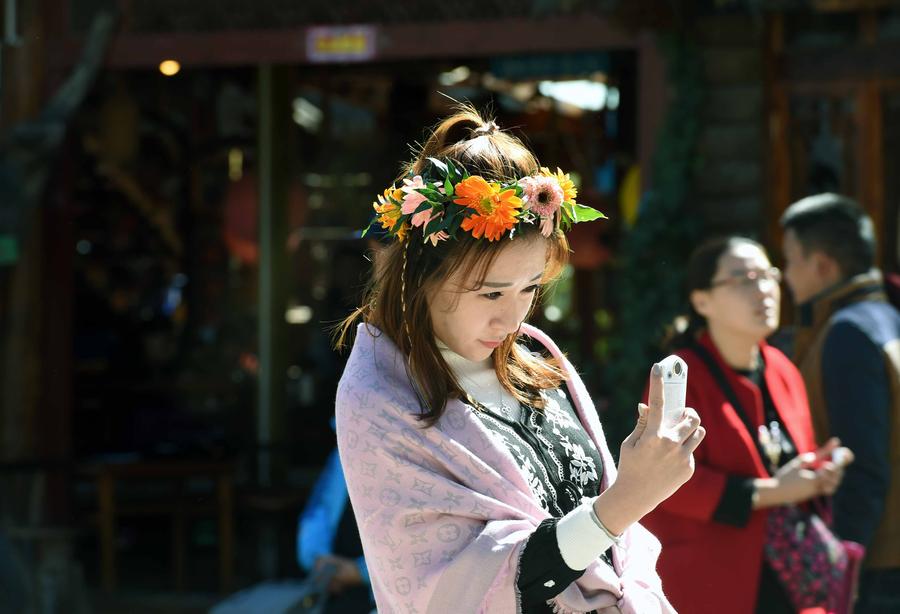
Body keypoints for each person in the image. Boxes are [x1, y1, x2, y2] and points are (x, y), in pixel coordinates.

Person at [333, 106, 705, 613]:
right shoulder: (385, 397)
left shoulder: (534, 358)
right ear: (422, 276)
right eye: (490, 294)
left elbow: (611, 543)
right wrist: (627, 501)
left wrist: (635, 482)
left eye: (530, 288)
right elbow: (460, 588)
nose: (511, 320)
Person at [642, 236, 853, 614]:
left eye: (769, 275)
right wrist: (773, 491)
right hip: (712, 582)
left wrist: (819, 473)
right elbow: (666, 482)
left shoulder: (782, 368)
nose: (764, 289)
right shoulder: (678, 376)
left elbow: (788, 459)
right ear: (702, 300)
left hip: (788, 578)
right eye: (743, 278)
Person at [780, 193, 900, 613]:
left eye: (790, 259)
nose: (783, 275)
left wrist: (843, 568)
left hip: (879, 565)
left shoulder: (847, 333)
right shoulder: (887, 317)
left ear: (822, 265)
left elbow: (861, 464)